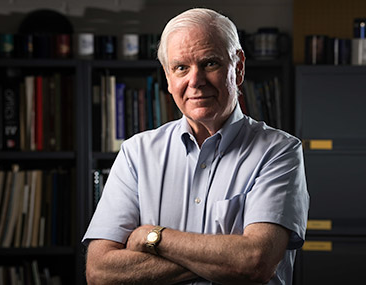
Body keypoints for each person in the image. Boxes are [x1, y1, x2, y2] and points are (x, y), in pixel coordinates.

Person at [83, 7, 309, 284]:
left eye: (210, 63)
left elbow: (255, 262)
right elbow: (101, 272)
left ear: (238, 67)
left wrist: (153, 237)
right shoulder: (136, 154)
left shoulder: (279, 152)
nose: (195, 81)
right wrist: (225, 259)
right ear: (168, 78)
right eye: (181, 68)